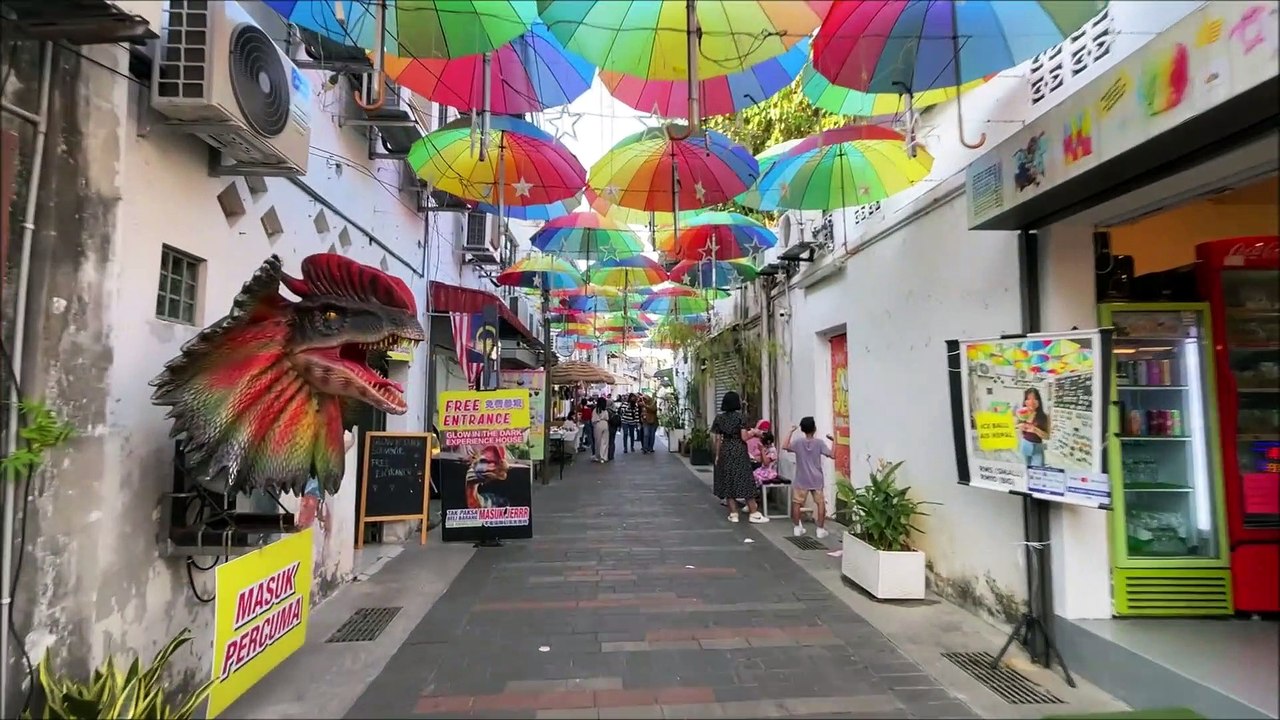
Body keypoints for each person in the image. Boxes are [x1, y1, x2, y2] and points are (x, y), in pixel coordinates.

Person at [712, 391, 769, 524]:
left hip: (726, 450)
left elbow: (718, 439)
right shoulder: (740, 417)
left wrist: (717, 455)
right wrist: (754, 432)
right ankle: (753, 512)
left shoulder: (719, 418)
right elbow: (744, 437)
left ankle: (733, 514)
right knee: (745, 480)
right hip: (738, 450)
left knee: (728, 481)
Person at [783, 417, 834, 538]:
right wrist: (834, 440)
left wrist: (790, 431)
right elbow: (832, 455)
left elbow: (785, 446)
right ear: (814, 429)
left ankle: (797, 527)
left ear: (802, 430)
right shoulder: (819, 443)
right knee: (820, 503)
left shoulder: (798, 443)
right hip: (816, 479)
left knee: (797, 503)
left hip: (802, 479)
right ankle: (820, 529)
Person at [1017, 388, 1049, 466]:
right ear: (1025, 401)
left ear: (1038, 401)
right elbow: (1017, 428)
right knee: (1026, 468)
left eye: (1034, 398)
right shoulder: (1022, 414)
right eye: (1028, 399)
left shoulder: (1044, 416)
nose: (1031, 402)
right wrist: (1020, 427)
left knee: (1037, 471)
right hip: (1025, 444)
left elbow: (1047, 436)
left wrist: (1035, 430)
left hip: (1037, 447)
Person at [592, 397, 611, 463]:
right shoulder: (605, 410)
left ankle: (598, 456)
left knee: (598, 442)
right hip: (605, 424)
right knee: (605, 441)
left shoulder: (595, 410)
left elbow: (593, 420)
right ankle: (604, 457)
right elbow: (607, 418)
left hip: (598, 424)